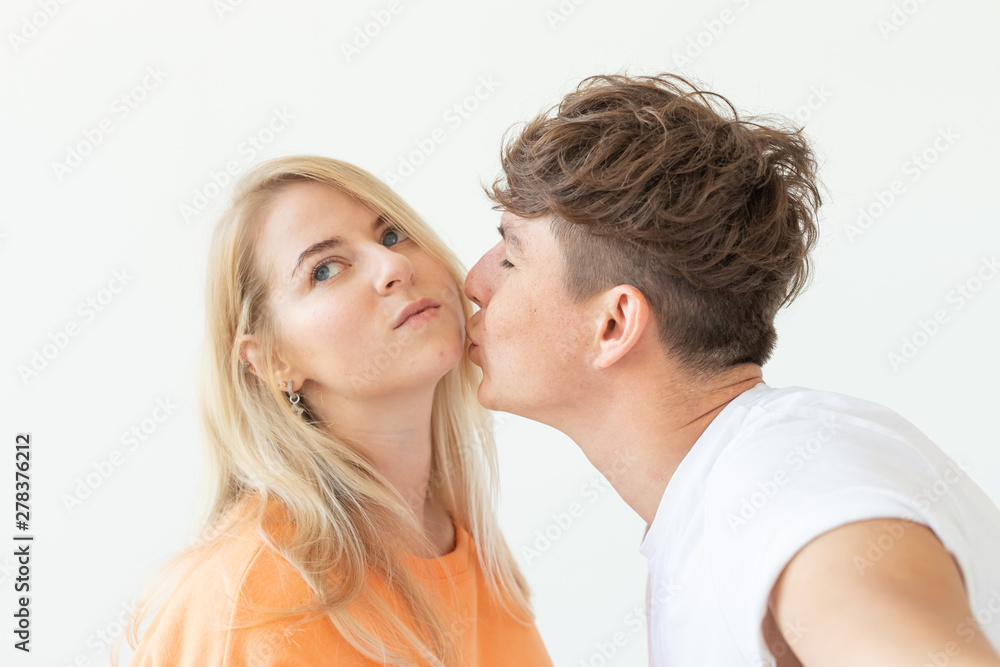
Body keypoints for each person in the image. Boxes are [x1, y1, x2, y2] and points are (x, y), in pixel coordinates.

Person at [463, 73, 1000, 667]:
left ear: (613, 325)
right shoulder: (728, 496)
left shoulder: (784, 490)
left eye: (510, 257)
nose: (474, 283)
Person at [120, 155, 553, 667]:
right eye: (324, 270)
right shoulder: (246, 598)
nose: (395, 266)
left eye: (392, 235)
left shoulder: (471, 546)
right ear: (273, 361)